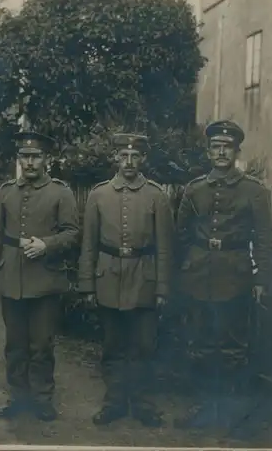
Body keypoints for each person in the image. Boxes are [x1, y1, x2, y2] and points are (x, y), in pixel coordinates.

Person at [175, 120, 272, 425]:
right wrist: (181, 275)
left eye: (227, 147)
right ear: (207, 152)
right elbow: (181, 236)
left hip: (235, 276)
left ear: (236, 151)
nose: (221, 152)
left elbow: (265, 239)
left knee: (232, 346)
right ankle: (204, 408)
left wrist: (261, 279)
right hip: (199, 276)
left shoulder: (254, 191)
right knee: (200, 343)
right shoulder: (195, 189)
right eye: (215, 146)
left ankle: (229, 412)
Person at [0, 131, 81, 421]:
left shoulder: (61, 192)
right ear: (19, 159)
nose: (30, 162)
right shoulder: (5, 192)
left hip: (46, 281)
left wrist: (46, 245)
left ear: (45, 159)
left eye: (36, 156)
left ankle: (42, 399)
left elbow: (73, 233)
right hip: (11, 277)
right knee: (15, 345)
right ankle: (19, 399)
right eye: (25, 156)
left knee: (41, 345)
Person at [79, 133, 173, 427]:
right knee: (113, 346)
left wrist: (162, 287)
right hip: (108, 277)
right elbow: (88, 245)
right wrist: (87, 284)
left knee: (143, 346)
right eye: (123, 156)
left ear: (142, 159)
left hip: (144, 277)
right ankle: (114, 402)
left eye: (135, 156)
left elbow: (166, 247)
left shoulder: (156, 195)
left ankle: (142, 403)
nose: (129, 162)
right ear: (115, 159)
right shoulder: (98, 195)